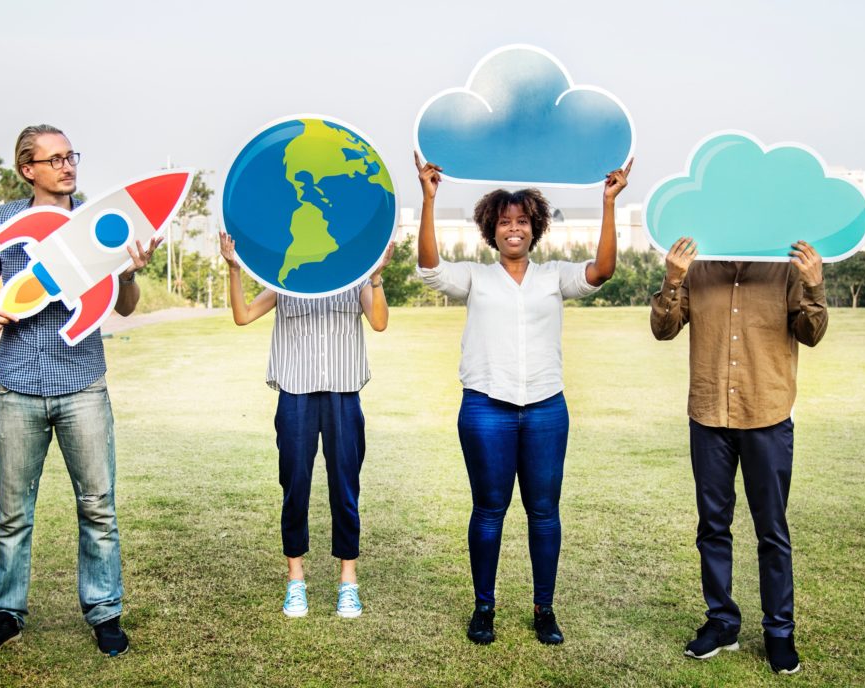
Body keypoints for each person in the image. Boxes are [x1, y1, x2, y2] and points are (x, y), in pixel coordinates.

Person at [414, 152, 632, 645]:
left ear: (535, 229)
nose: (514, 229)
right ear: (492, 230)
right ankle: (484, 607)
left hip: (545, 409)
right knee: (488, 511)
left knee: (543, 511)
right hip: (486, 408)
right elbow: (430, 268)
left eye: (523, 222)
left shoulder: (554, 275)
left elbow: (602, 271)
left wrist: (608, 203)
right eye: (504, 222)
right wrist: (429, 199)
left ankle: (544, 610)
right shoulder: (475, 277)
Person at [0, 124, 159, 661]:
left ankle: (104, 613)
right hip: (18, 386)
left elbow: (124, 306)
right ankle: (5, 615)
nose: (67, 166)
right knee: (12, 513)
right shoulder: (4, 220)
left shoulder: (99, 222)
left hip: (83, 387)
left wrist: (130, 269)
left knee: (98, 507)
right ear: (28, 169)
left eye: (71, 155)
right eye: (54, 159)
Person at [650, 236, 828, 675]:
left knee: (772, 529)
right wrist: (672, 279)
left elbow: (812, 335)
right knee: (712, 526)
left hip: (766, 414)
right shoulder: (697, 266)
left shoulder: (783, 267)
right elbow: (664, 328)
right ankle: (722, 622)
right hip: (709, 416)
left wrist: (814, 286)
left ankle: (779, 632)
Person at [219, 231, 391, 618]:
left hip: (343, 394)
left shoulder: (356, 278)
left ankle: (349, 581)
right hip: (295, 393)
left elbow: (379, 322)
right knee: (294, 485)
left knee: (345, 487)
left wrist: (377, 276)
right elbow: (243, 315)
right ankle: (295, 580)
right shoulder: (287, 279)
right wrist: (234, 269)